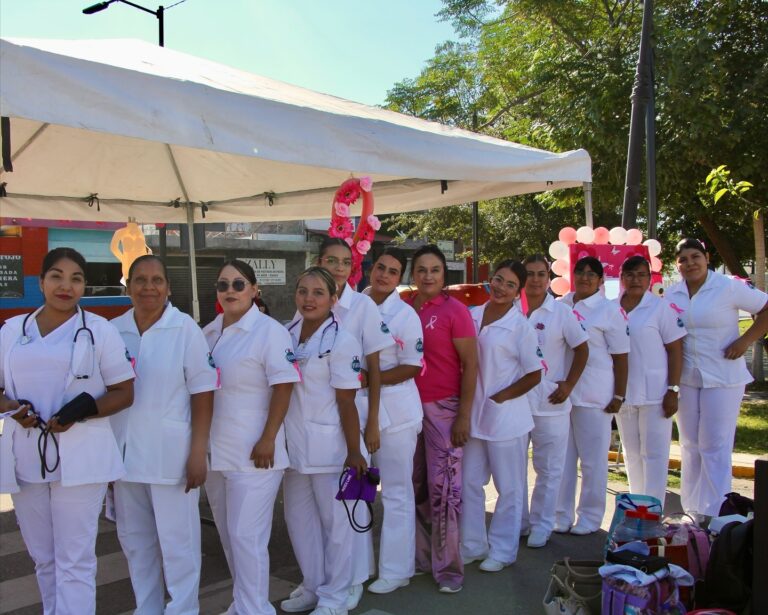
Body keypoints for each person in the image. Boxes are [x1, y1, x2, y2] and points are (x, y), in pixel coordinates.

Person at [0, 247, 135, 615]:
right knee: (43, 557)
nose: (66, 285)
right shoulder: (13, 331)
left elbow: (125, 391)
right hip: (26, 458)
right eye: (57, 276)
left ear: (84, 287)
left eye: (76, 278)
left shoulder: (99, 330)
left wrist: (85, 409)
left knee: (74, 560)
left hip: (82, 459)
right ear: (41, 282)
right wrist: (13, 409)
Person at [110, 255, 218, 615]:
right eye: (140, 280)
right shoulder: (114, 330)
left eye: (157, 280)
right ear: (128, 286)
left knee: (178, 542)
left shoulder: (184, 328)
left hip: (171, 454)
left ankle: (184, 609)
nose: (148, 287)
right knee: (136, 541)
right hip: (124, 457)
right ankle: (149, 607)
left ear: (168, 287)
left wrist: (197, 451)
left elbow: (203, 393)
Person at [203, 260, 299, 615]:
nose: (230, 291)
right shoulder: (210, 332)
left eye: (239, 284)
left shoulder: (269, 331)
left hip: (256, 452)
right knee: (230, 536)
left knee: (247, 537)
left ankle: (256, 609)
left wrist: (269, 438)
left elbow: (284, 386)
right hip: (217, 450)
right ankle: (243, 603)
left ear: (255, 290)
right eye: (223, 284)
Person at [279, 267, 367, 615]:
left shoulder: (343, 341)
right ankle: (313, 585)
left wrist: (355, 452)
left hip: (333, 449)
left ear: (333, 299)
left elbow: (347, 401)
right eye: (303, 291)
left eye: (318, 292)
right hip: (294, 447)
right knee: (298, 521)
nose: (309, 299)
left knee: (338, 526)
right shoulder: (285, 333)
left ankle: (335, 597)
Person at [315, 237, 394, 609]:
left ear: (352, 267)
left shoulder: (361, 305)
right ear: (318, 261)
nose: (338, 267)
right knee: (328, 507)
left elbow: (375, 368)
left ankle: (357, 576)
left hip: (356, 408)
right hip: (317, 413)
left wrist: (373, 420)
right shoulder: (309, 298)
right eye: (331, 260)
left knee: (356, 495)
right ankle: (330, 577)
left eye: (345, 262)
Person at [666, 238, 768, 517]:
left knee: (714, 444)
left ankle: (716, 511)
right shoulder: (672, 294)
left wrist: (745, 341)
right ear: (677, 264)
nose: (690, 263)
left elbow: (765, 309)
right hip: (687, 377)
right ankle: (692, 509)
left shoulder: (727, 286)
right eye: (683, 259)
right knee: (690, 444)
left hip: (723, 377)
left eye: (695, 257)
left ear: (707, 258)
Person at [461, 260, 542, 572]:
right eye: (498, 280)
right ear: (489, 280)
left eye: (509, 285)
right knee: (469, 481)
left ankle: (503, 550)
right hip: (473, 414)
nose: (501, 288)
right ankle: (472, 544)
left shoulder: (520, 327)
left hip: (506, 418)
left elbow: (534, 374)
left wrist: (500, 397)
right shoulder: (472, 315)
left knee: (509, 488)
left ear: (517, 292)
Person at [406, 244, 478, 593]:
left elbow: (471, 365)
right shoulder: (405, 307)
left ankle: (449, 569)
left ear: (443, 274)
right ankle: (422, 559)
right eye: (421, 269)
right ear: (413, 274)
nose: (428, 276)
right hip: (405, 408)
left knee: (445, 488)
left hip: (445, 409)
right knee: (415, 484)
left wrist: (463, 415)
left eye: (434, 269)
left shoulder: (456, 310)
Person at [362, 248, 424, 594]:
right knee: (359, 491)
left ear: (400, 278)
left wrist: (371, 379)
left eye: (393, 271)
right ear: (371, 269)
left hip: (396, 413)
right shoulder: (355, 303)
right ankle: (360, 567)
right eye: (380, 268)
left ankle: (397, 569)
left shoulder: (405, 315)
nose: (384, 275)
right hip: (358, 410)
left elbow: (412, 366)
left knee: (397, 492)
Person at [555, 256, 629, 535]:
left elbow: (621, 358)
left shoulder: (609, 311)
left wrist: (619, 394)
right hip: (561, 394)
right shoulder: (559, 306)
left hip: (594, 394)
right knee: (562, 458)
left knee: (593, 460)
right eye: (580, 272)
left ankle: (589, 517)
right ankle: (560, 514)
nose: (585, 277)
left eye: (591, 274)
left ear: (600, 280)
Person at [520, 254, 589, 549]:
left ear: (549, 278)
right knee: (513, 467)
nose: (535, 279)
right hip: (515, 401)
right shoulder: (510, 308)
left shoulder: (561, 313)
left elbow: (583, 350)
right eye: (530, 274)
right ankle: (519, 521)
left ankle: (542, 524)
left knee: (549, 468)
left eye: (541, 274)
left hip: (550, 401)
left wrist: (569, 384)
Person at [616, 256, 686, 506]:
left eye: (641, 275)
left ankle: (653, 510)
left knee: (654, 455)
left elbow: (676, 350)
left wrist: (673, 390)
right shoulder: (612, 307)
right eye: (630, 274)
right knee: (632, 454)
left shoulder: (661, 308)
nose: (635, 279)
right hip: (622, 394)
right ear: (622, 278)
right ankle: (636, 510)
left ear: (649, 278)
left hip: (656, 394)